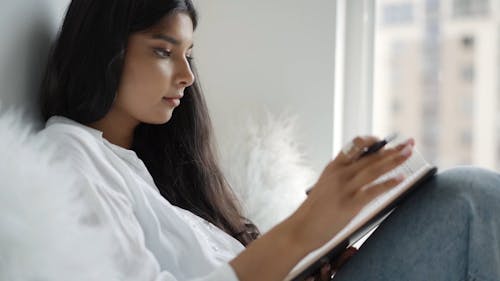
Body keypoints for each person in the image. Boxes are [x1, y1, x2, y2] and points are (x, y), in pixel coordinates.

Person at [37, 0, 500, 280]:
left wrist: (305, 263)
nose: (187, 76)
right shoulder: (68, 154)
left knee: (469, 197)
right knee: (470, 199)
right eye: (163, 51)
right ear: (107, 50)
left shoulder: (155, 175)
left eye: (189, 55)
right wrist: (302, 230)